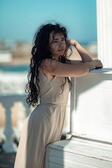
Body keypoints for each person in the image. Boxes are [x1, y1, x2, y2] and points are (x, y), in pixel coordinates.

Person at [14, 23, 103, 168]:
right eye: (55, 41)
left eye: (63, 40)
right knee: (34, 163)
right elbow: (86, 68)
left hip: (55, 119)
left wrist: (75, 44)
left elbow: (91, 64)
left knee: (45, 163)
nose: (61, 44)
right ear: (46, 44)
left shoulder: (62, 63)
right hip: (43, 120)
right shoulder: (47, 64)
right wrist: (92, 64)